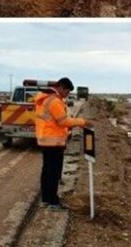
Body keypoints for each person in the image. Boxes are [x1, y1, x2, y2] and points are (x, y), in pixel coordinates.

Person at [34, 77, 91, 210]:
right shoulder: (54, 101)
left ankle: (46, 199)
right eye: (67, 92)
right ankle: (53, 202)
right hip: (54, 141)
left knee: (47, 171)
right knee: (53, 172)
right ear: (62, 87)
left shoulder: (45, 98)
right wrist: (82, 122)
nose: (67, 95)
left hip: (46, 139)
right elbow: (63, 121)